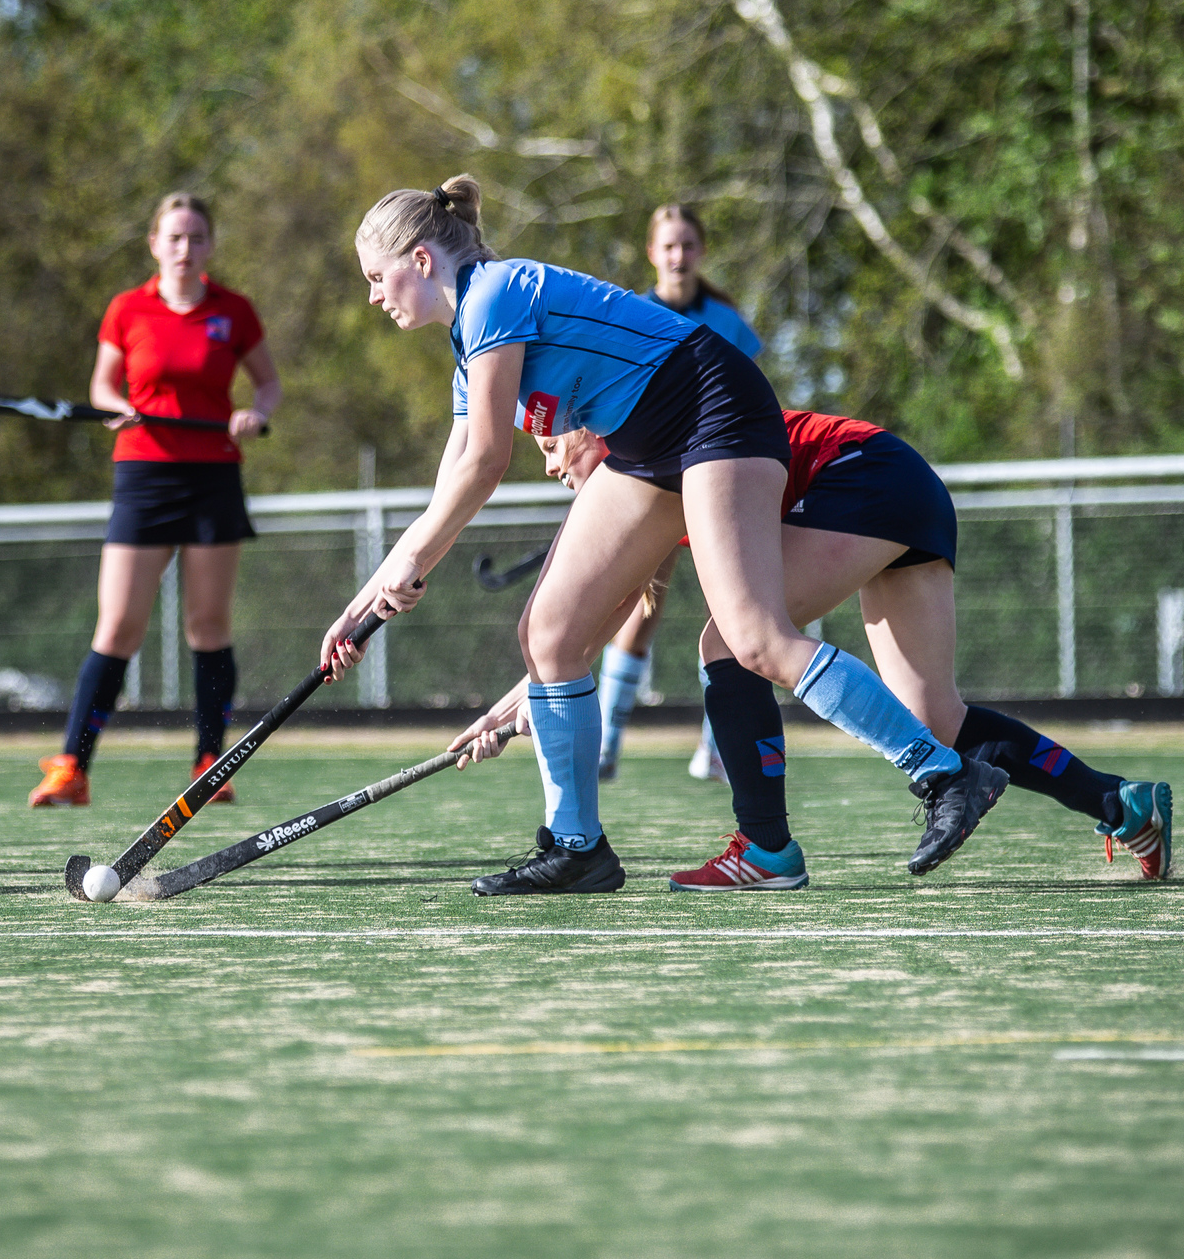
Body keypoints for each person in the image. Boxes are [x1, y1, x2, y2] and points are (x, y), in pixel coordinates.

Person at [319, 174, 1004, 895]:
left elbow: (487, 462)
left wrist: (414, 563)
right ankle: (578, 848)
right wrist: (361, 607)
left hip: (713, 410)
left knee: (753, 638)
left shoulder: (493, 294)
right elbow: (452, 470)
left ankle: (945, 775)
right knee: (549, 634)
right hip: (644, 443)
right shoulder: (469, 338)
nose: (373, 296)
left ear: (421, 261)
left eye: (375, 276)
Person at [460, 415, 1174, 887]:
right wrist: (511, 708)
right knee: (938, 720)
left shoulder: (648, 455)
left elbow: (597, 616)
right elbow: (600, 619)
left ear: (593, 433)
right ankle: (1122, 802)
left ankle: (765, 848)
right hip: (904, 481)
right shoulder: (647, 474)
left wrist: (527, 697)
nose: (551, 466)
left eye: (552, 447)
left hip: (858, 476)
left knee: (732, 644)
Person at [31, 192, 280, 810]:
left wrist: (255, 414)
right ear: (154, 244)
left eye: (196, 237)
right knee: (117, 625)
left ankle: (209, 764)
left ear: (210, 246)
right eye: (174, 237)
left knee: (208, 625)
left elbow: (268, 383)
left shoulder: (234, 311)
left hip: (213, 476)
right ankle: (72, 769)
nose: (185, 248)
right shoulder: (127, 309)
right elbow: (102, 385)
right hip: (144, 475)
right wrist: (118, 410)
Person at [598, 205, 762, 782]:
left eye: (688, 244)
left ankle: (716, 747)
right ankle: (606, 744)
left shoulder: (729, 320)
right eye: (668, 246)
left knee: (733, 608)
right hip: (659, 477)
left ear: (701, 250)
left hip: (720, 478)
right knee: (640, 611)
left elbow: (755, 399)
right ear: (652, 253)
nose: (678, 256)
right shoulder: (630, 312)